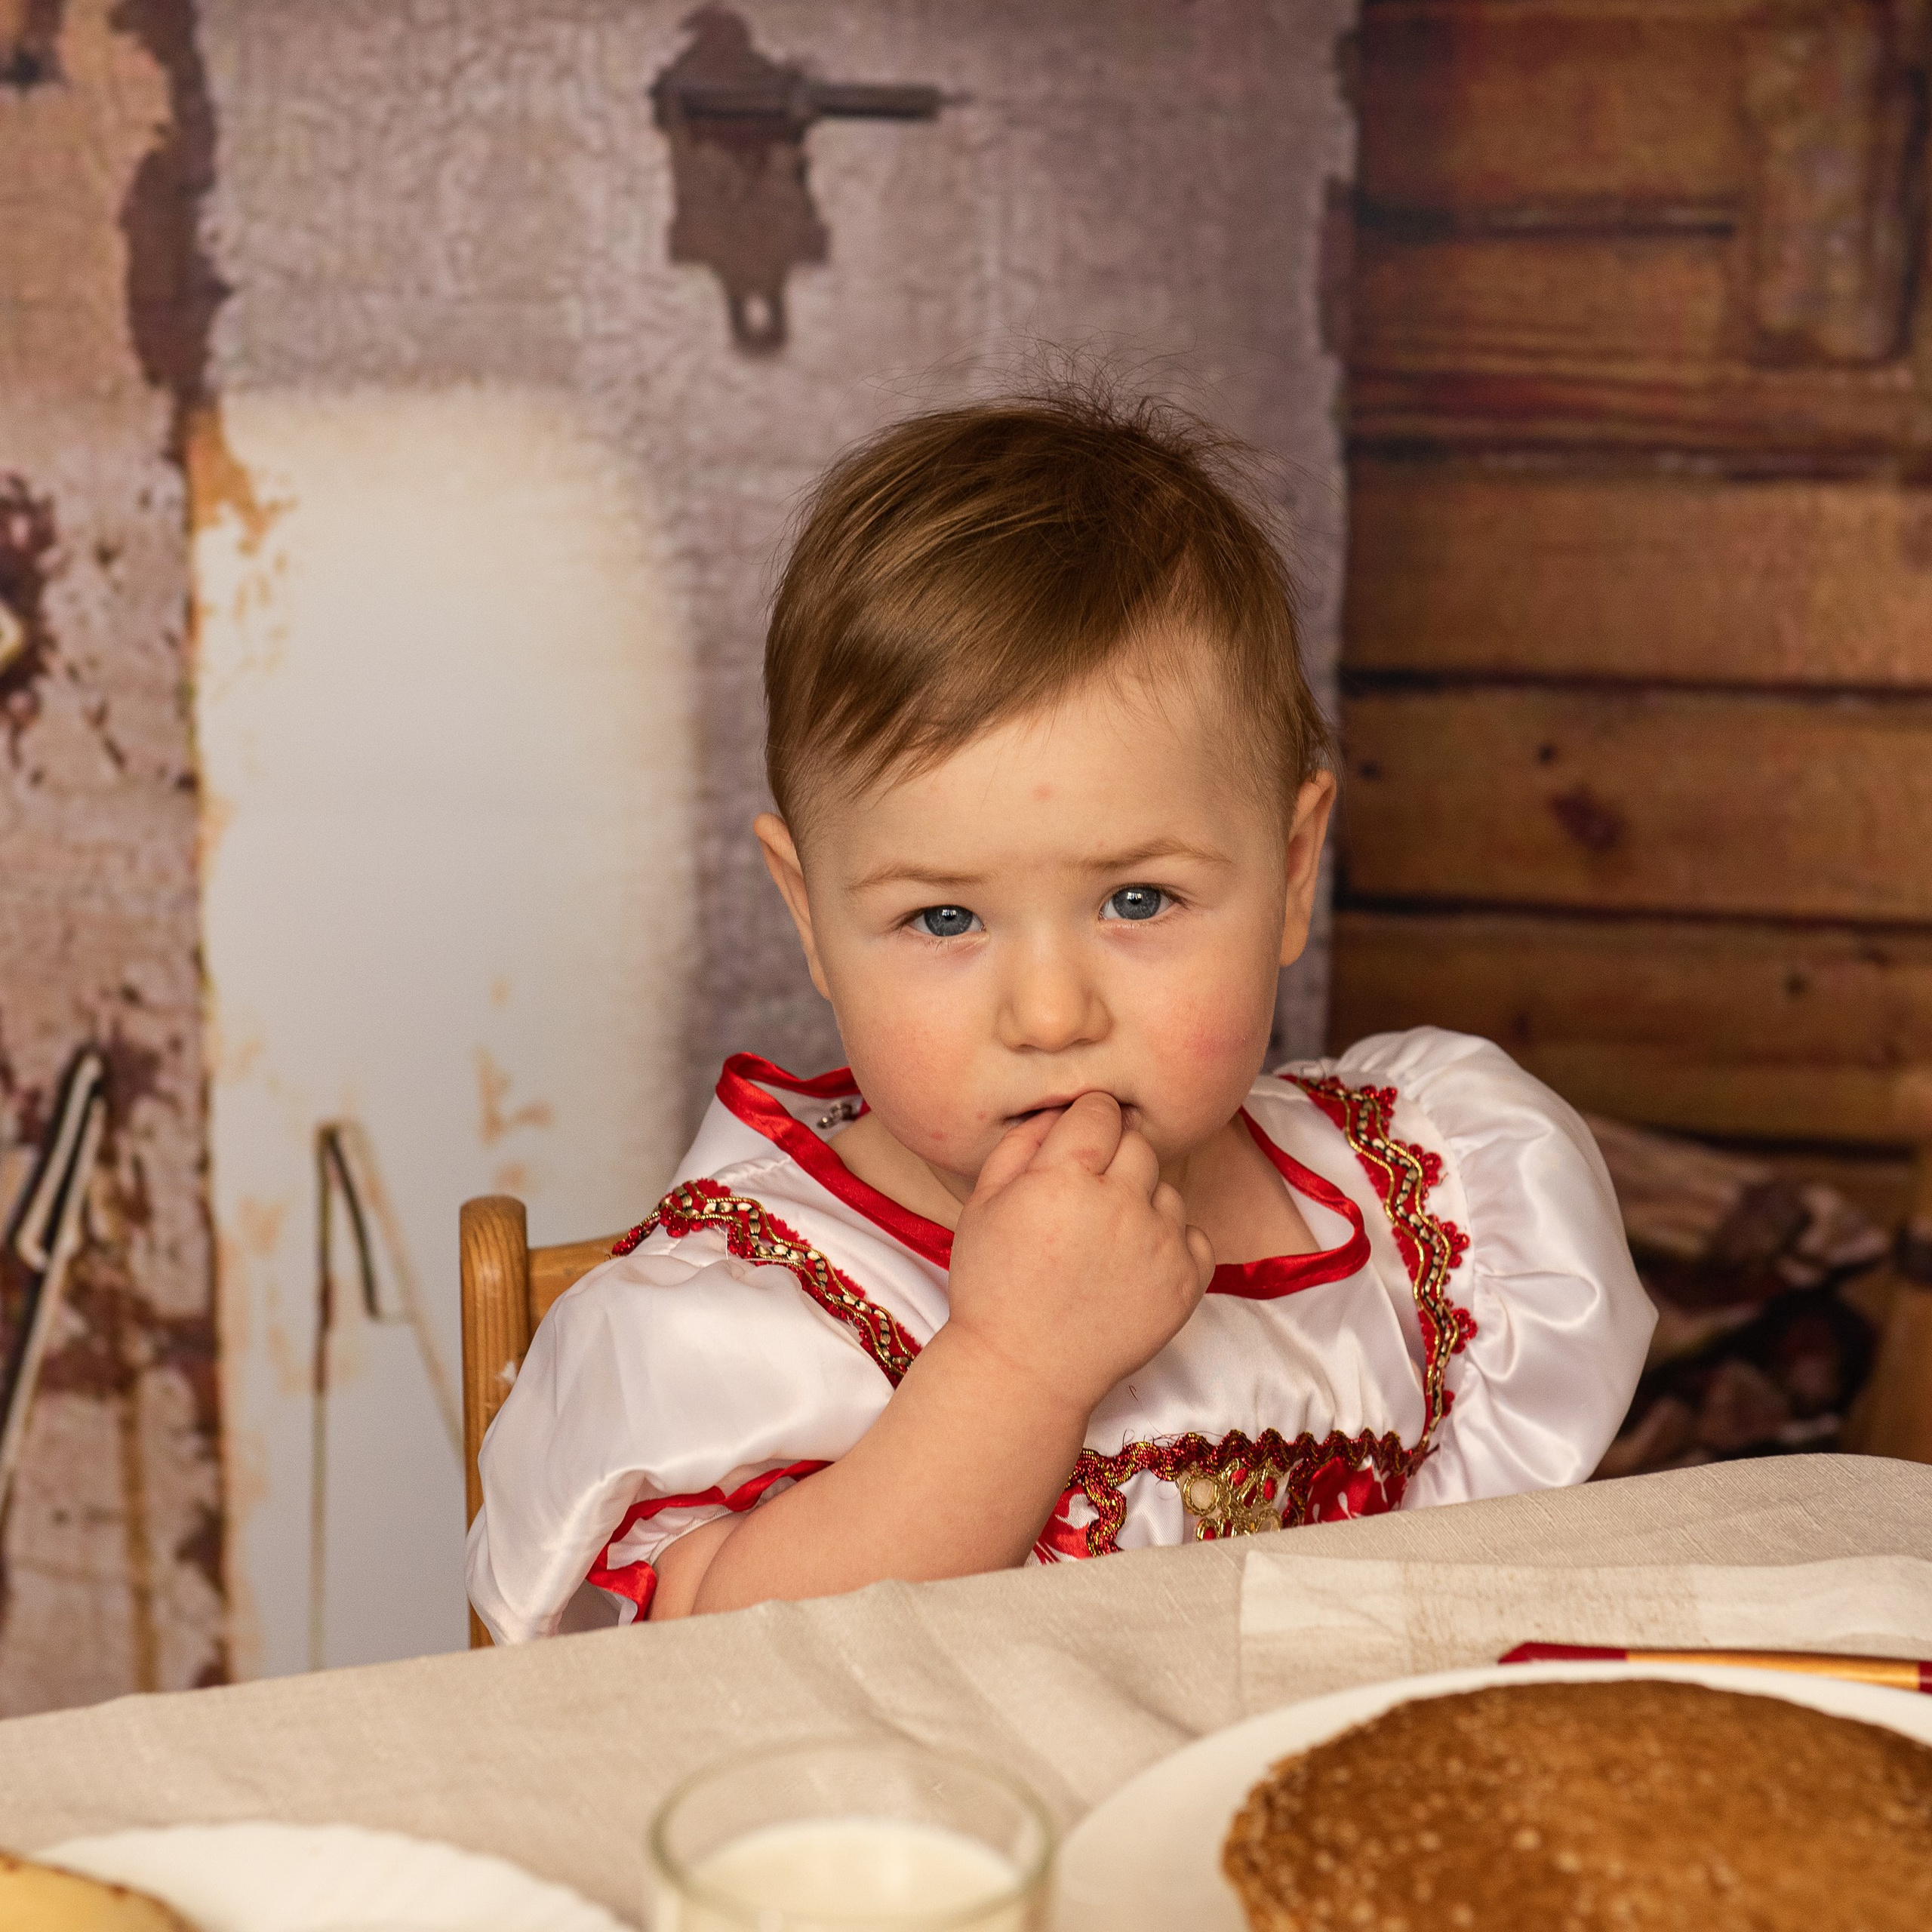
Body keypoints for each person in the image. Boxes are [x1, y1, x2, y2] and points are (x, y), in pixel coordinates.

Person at [466, 389, 1654, 1641]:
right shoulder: (757, 1312)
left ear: (1293, 873)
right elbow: (708, 1670)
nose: (1048, 1014)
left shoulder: (1435, 1214)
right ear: (810, 917)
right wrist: (1012, 1367)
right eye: (943, 918)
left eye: (1138, 900)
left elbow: (1487, 1613)